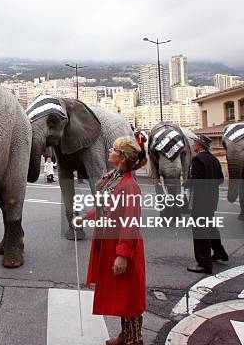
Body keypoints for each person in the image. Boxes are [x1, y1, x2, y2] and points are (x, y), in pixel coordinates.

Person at [85, 136, 147, 345]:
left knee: (129, 297)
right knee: (123, 295)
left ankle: (134, 339)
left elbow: (130, 223)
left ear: (121, 157)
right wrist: (85, 216)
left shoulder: (129, 185)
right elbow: (106, 208)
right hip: (112, 243)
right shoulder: (116, 178)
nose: (109, 151)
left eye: (113, 149)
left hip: (122, 246)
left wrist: (123, 255)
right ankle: (126, 336)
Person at [184, 134, 228, 274]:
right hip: (212, 199)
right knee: (210, 226)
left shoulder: (197, 159)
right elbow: (220, 179)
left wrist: (186, 183)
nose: (193, 144)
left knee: (200, 231)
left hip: (200, 200)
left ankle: (204, 263)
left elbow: (197, 181)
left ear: (200, 145)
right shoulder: (213, 159)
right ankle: (219, 252)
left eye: (195, 142)